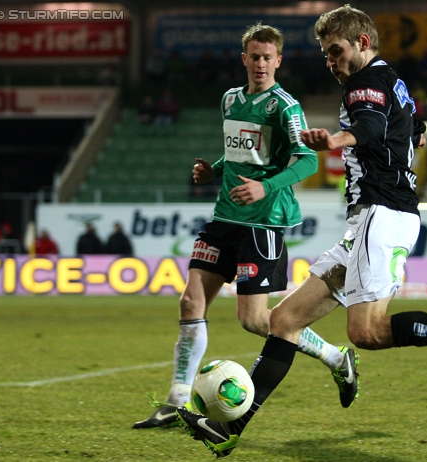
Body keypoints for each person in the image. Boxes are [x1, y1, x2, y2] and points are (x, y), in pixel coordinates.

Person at [176, 6, 427, 457]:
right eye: (326, 54)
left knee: (368, 333)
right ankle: (230, 428)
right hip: (375, 220)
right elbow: (415, 130)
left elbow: (369, 127)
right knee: (284, 320)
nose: (331, 61)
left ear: (362, 43)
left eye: (336, 51)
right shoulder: (392, 80)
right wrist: (403, 138)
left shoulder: (365, 85)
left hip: (382, 215)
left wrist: (337, 140)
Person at [133, 23, 358, 430]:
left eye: (267, 57)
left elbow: (307, 160)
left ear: (278, 61)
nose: (260, 64)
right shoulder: (231, 99)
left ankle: (336, 358)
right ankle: (175, 401)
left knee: (257, 322)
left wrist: (265, 187)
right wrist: (213, 169)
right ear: (244, 59)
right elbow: (241, 151)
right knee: (190, 303)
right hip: (224, 218)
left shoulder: (283, 105)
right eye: (254, 56)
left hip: (263, 223)